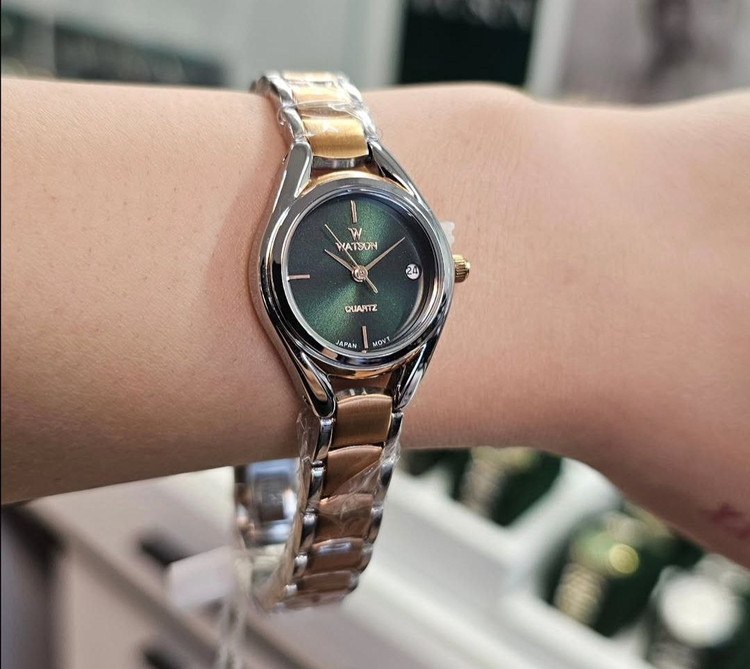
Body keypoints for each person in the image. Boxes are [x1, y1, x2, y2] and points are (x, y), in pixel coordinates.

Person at [2, 77, 748, 567]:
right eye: (356, 271)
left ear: (446, 265)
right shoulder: (291, 268)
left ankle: (295, 558)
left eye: (376, 268)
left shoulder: (422, 276)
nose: (363, 276)